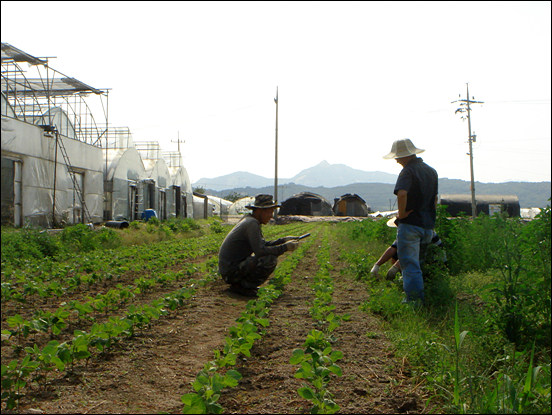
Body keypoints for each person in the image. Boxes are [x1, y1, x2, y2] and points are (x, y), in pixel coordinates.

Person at [383, 138, 438, 304]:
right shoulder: (431, 171)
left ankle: (414, 301)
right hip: (427, 225)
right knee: (418, 263)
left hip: (411, 225)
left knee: (410, 265)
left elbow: (402, 194)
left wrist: (402, 214)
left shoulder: (407, 171)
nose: (396, 160)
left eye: (398, 157)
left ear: (405, 156)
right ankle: (420, 296)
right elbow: (435, 199)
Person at [218, 194, 302, 297]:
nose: (271, 216)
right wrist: (285, 247)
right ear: (259, 211)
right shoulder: (252, 224)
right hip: (231, 272)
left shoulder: (250, 220)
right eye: (269, 212)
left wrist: (283, 240)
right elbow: (260, 251)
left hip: (230, 269)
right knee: (269, 259)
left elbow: (262, 244)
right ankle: (243, 287)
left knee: (266, 256)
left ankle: (244, 285)